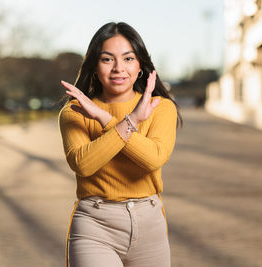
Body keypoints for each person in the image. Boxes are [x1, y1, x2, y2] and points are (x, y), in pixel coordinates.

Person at [58, 22, 181, 267]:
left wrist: (105, 118)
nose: (118, 68)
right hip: (95, 224)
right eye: (107, 59)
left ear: (140, 66)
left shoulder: (161, 107)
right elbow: (83, 164)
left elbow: (154, 158)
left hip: (150, 224)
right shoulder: (74, 112)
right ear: (94, 66)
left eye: (128, 58)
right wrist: (132, 121)